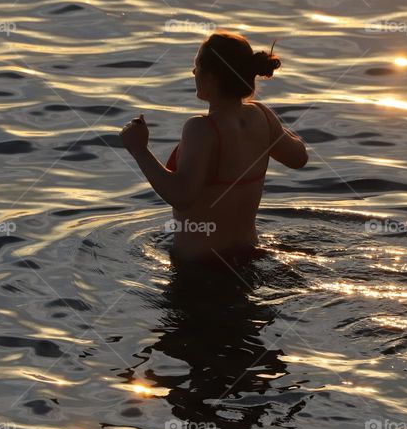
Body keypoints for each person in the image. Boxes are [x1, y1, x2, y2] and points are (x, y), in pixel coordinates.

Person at [120, 31, 308, 262]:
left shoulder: (201, 128)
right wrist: (269, 130)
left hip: (202, 267)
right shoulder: (263, 116)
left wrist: (139, 149)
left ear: (211, 78)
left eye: (196, 65)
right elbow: (299, 158)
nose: (192, 72)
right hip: (250, 259)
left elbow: (182, 196)